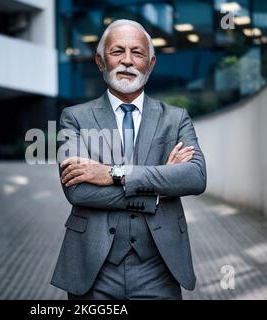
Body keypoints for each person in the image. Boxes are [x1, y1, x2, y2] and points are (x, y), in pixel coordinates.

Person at [51, 19, 206, 300]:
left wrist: (112, 173)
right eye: (117, 51)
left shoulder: (176, 118)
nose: (127, 61)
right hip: (93, 269)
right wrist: (157, 191)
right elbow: (77, 190)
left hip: (159, 266)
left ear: (151, 63)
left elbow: (195, 177)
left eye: (137, 53)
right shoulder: (73, 118)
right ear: (100, 61)